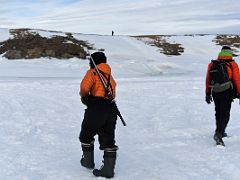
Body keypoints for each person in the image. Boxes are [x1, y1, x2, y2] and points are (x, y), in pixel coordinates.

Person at [79, 51, 118, 178]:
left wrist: (85, 98)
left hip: (97, 108)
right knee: (108, 139)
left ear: (93, 61)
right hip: (111, 109)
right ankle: (108, 170)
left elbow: (84, 88)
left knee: (86, 134)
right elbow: (113, 93)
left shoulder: (93, 72)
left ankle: (88, 162)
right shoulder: (110, 77)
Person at [205, 46, 240, 144]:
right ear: (230, 53)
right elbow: (237, 80)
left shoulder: (212, 64)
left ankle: (221, 131)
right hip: (227, 91)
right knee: (225, 114)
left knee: (218, 112)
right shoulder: (232, 64)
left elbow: (208, 79)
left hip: (215, 91)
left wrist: (207, 94)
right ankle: (219, 134)